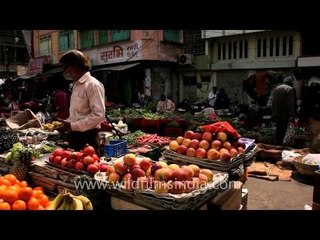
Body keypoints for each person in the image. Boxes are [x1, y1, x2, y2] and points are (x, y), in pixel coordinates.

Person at [57, 50, 106, 156]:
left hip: (88, 137)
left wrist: (72, 126)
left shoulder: (93, 85)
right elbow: (78, 114)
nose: (65, 72)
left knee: (88, 169)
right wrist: (66, 123)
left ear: (74, 66)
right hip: (74, 136)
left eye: (66, 67)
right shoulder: (76, 85)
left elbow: (98, 115)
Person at [272, 76, 297, 145]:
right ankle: (282, 145)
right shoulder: (290, 89)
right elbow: (290, 104)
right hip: (284, 114)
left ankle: (278, 144)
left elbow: (273, 101)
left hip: (277, 113)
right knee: (284, 130)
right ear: (291, 82)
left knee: (278, 130)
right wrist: (291, 115)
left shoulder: (277, 88)